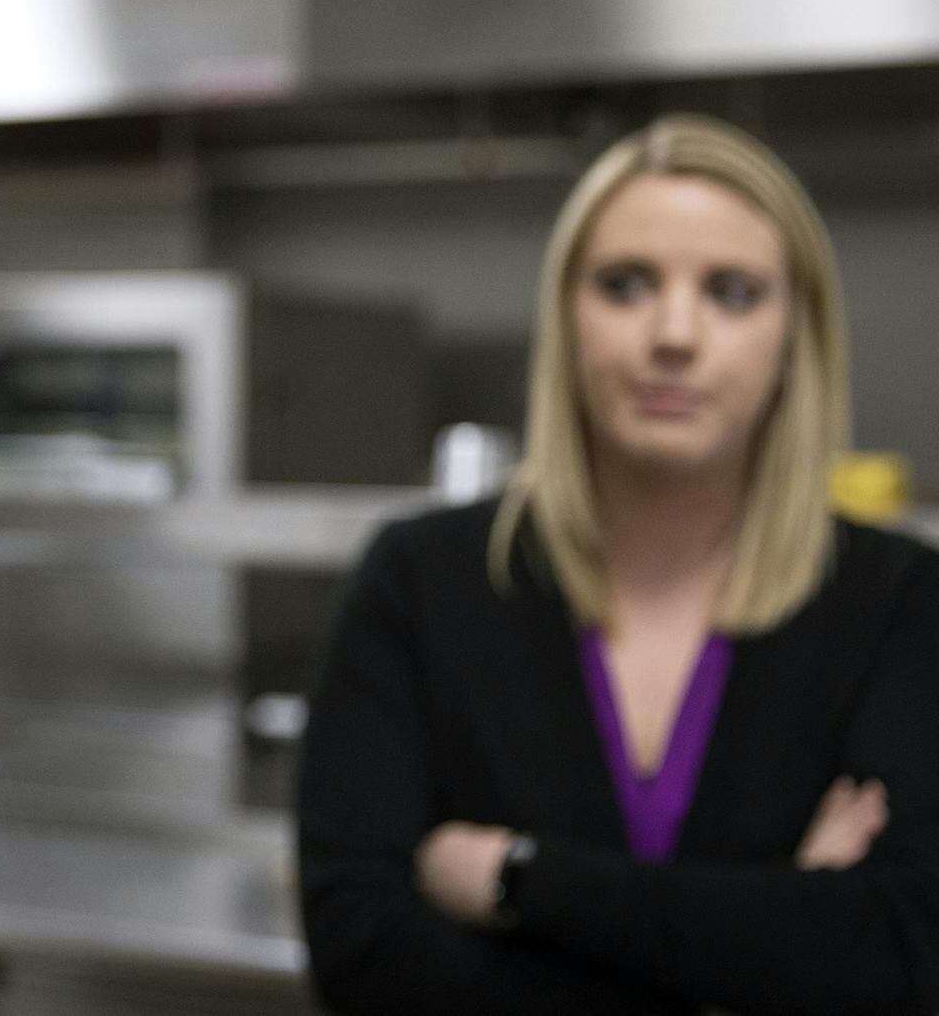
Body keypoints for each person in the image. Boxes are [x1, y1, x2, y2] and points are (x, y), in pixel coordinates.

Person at [295, 115, 939, 1015]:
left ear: (798, 336)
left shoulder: (898, 600)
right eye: (626, 284)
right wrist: (767, 936)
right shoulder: (422, 579)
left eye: (733, 292)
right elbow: (364, 958)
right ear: (567, 317)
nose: (674, 333)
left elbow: (900, 953)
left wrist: (520, 877)